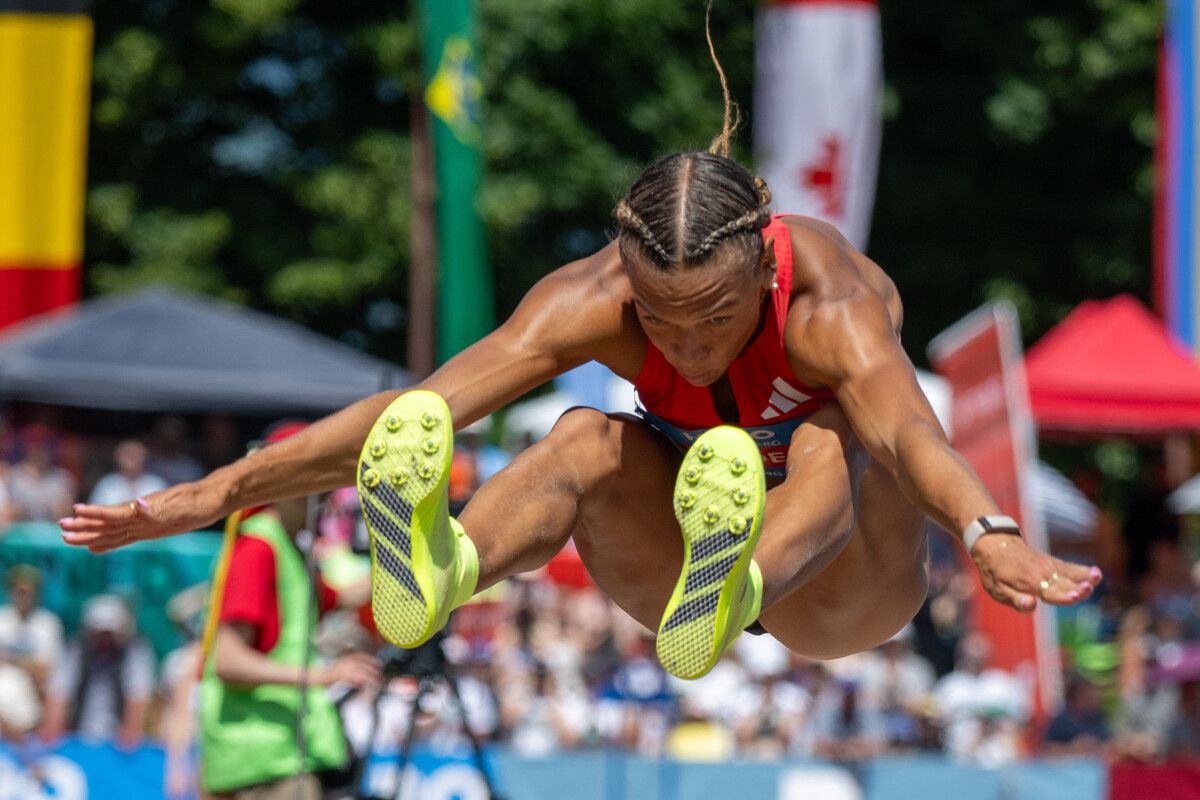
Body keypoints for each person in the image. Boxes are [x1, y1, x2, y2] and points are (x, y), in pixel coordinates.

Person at [59, 26, 1101, 682]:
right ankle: (443, 567)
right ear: (626, 271)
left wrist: (987, 526)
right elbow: (415, 410)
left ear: (763, 266)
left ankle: (736, 579)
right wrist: (223, 489)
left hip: (843, 590)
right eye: (663, 320)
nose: (687, 348)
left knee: (831, 432)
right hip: (668, 578)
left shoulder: (831, 303)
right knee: (579, 437)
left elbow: (914, 434)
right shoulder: (592, 298)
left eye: (715, 318)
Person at [197, 421, 380, 800]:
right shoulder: (260, 548)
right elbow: (228, 662)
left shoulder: (290, 547)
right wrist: (326, 675)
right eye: (320, 480)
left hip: (279, 757)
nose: (328, 494)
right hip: (258, 765)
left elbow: (343, 597)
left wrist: (403, 557)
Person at [40, 593, 156, 749]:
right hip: (77, 735)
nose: (105, 640)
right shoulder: (75, 651)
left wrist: (131, 732)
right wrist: (53, 729)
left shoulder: (135, 653)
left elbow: (138, 698)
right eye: (100, 633)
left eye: (110, 634)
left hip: (117, 743)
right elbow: (58, 694)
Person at [0, 565, 64, 691]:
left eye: (29, 592)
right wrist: (28, 664)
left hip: (36, 691)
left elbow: (44, 670)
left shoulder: (48, 623)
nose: (24, 597)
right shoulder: (2, 619)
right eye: (20, 591)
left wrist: (10, 660)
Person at [88, 439, 169, 507]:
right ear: (117, 457)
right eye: (127, 454)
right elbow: (94, 510)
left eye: (136, 454)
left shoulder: (157, 483)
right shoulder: (107, 483)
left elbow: (166, 513)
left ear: (145, 457)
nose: (132, 457)